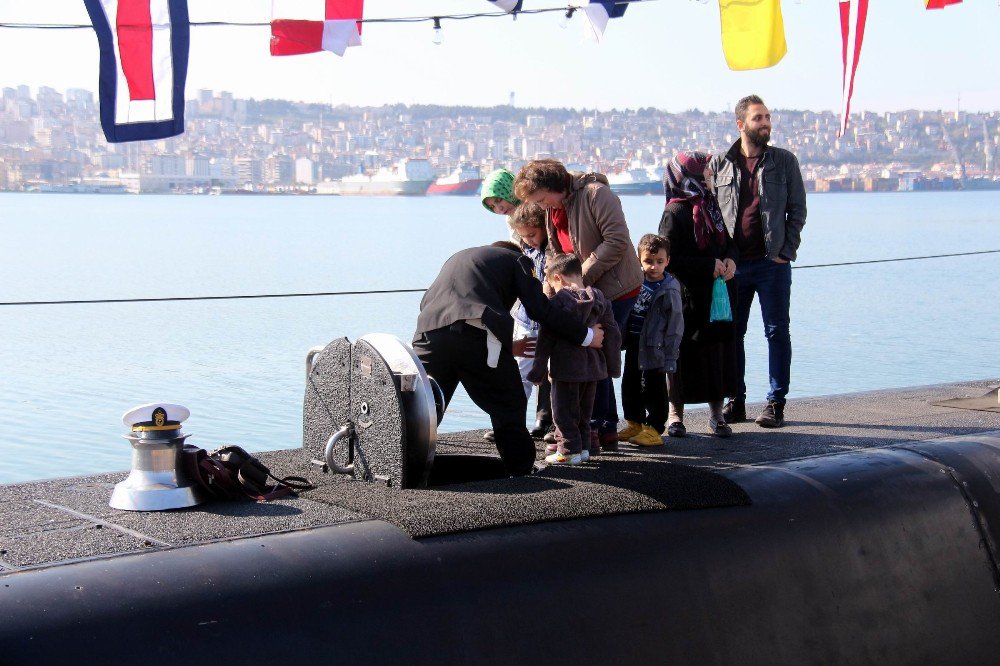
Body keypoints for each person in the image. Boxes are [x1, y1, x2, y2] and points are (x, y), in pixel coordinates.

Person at [413, 243, 605, 477]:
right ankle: (521, 471)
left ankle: (405, 462)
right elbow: (539, 309)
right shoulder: (519, 260)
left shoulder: (457, 258)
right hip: (476, 331)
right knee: (509, 402)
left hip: (427, 334)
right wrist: (586, 335)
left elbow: (444, 307)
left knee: (426, 406)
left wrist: (508, 346)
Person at [514, 159, 643, 451]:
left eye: (543, 199)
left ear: (554, 187)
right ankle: (593, 426)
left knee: (596, 351)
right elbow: (554, 250)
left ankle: (599, 425)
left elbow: (617, 240)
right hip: (579, 289)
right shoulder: (554, 208)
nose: (543, 206)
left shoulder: (597, 194)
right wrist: (549, 284)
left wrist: (577, 280)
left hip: (615, 288)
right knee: (587, 349)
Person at [709, 95, 806, 428]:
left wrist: (786, 251)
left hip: (771, 264)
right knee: (732, 333)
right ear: (741, 124)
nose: (766, 123)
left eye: (767, 117)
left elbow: (798, 211)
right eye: (758, 118)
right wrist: (719, 259)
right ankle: (736, 401)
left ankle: (775, 404)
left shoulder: (784, 162)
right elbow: (713, 218)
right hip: (734, 266)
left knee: (777, 332)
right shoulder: (720, 164)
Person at [658, 152, 738, 438]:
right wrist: (707, 265)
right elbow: (667, 257)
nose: (710, 177)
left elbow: (729, 242)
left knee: (716, 354)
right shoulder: (675, 211)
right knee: (680, 354)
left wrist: (730, 261)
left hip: (717, 296)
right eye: (706, 172)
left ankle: (716, 416)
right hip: (686, 296)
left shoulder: (714, 205)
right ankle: (675, 415)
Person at [528, 253, 622, 465]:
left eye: (551, 283)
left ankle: (568, 451)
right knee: (583, 413)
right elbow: (613, 334)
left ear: (558, 278)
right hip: (594, 369)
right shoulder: (600, 298)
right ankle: (584, 450)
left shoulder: (559, 302)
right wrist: (613, 367)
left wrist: (538, 371)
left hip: (567, 369)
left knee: (563, 413)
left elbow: (545, 338)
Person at [481, 169, 553, 440]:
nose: (499, 208)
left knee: (547, 373)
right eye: (493, 207)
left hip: (541, 316)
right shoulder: (520, 233)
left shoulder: (540, 233)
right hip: (525, 317)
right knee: (521, 372)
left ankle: (545, 422)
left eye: (499, 201)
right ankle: (512, 424)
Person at [615, 234, 684, 446]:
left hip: (656, 347)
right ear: (639, 260)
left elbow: (675, 325)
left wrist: (671, 356)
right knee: (631, 384)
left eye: (659, 262)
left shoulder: (669, 289)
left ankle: (654, 427)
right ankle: (635, 422)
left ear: (668, 261)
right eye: (648, 261)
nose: (654, 267)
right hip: (635, 342)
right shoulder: (637, 280)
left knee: (653, 388)